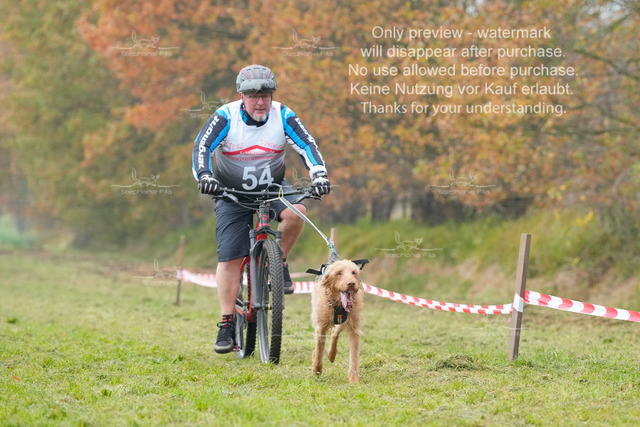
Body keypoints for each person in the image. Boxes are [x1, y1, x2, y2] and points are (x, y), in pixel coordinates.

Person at [191, 64, 331, 354]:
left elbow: (307, 145)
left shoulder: (283, 115)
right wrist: (204, 176)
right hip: (231, 193)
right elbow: (201, 147)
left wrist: (319, 175)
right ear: (241, 96)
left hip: (272, 186)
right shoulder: (225, 117)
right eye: (253, 95)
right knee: (230, 257)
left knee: (296, 212)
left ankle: (278, 263)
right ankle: (227, 322)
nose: (260, 102)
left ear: (272, 96)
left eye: (265, 95)